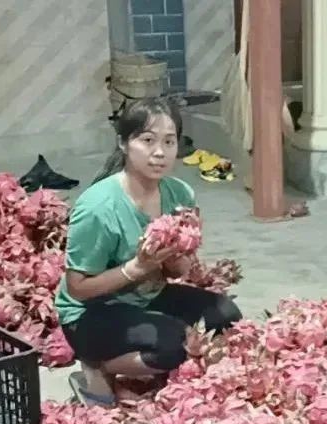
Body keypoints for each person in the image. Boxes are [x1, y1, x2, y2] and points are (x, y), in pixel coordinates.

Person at [53, 97, 242, 406]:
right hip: (90, 314)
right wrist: (138, 267)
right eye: (147, 140)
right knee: (177, 344)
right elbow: (78, 288)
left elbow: (178, 273)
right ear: (124, 143)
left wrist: (179, 248)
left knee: (225, 315)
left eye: (169, 142)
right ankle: (97, 366)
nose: (159, 152)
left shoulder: (181, 194)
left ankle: (148, 363)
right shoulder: (98, 208)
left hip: (144, 297)